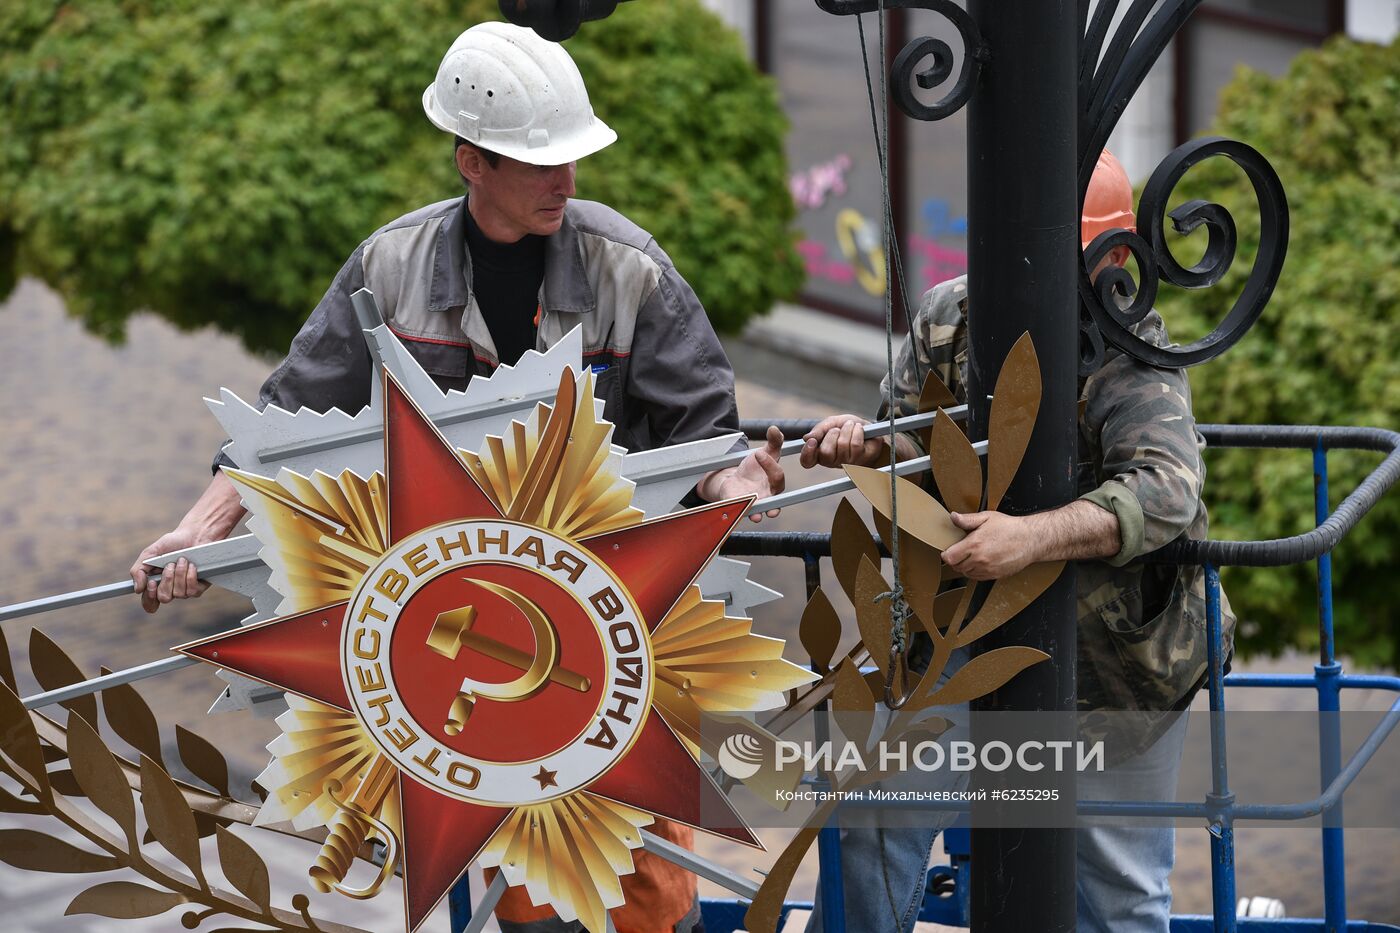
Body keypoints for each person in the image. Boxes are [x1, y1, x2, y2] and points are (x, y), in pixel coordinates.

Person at [132, 21, 786, 933]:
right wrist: (197, 531)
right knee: (514, 866)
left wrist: (737, 489)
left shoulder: (630, 271)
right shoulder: (389, 269)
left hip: (611, 626)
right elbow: (279, 432)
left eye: (574, 158)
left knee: (637, 871)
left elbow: (707, 442)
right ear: (470, 160)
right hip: (457, 627)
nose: (566, 181)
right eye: (540, 161)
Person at [798, 149, 1233, 933]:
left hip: (1116, 670)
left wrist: (1031, 538)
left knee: (1116, 893)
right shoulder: (949, 318)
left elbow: (1167, 490)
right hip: (969, 630)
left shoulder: (1133, 350)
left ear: (1109, 262)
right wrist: (866, 449)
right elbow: (917, 448)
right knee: (871, 817)